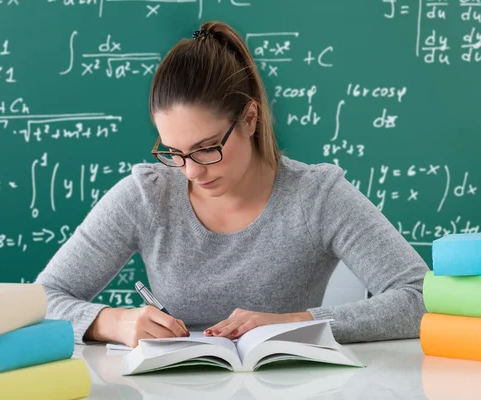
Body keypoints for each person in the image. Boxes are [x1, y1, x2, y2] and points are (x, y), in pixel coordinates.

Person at [34, 21, 430, 348]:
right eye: (174, 151)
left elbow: (420, 297)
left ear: (250, 118)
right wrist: (111, 322)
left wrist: (295, 323)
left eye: (207, 148)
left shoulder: (317, 195)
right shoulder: (146, 194)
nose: (190, 171)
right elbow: (42, 298)